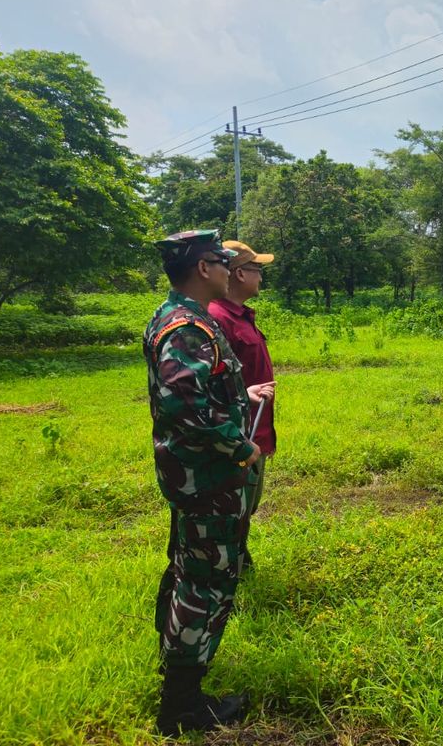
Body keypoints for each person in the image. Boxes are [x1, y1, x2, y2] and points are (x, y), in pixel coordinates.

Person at [143, 230, 275, 736]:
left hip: (196, 477)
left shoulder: (173, 317)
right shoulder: (188, 328)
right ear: (204, 268)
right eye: (222, 261)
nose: (229, 269)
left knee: (188, 570)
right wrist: (239, 446)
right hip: (209, 479)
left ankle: (176, 675)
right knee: (206, 582)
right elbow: (185, 407)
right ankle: (181, 706)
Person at [208, 240, 276, 545]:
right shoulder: (217, 319)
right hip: (236, 435)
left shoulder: (240, 315)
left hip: (254, 430)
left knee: (247, 506)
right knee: (232, 510)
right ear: (238, 274)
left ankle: (237, 560)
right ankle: (230, 568)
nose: (260, 277)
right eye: (256, 269)